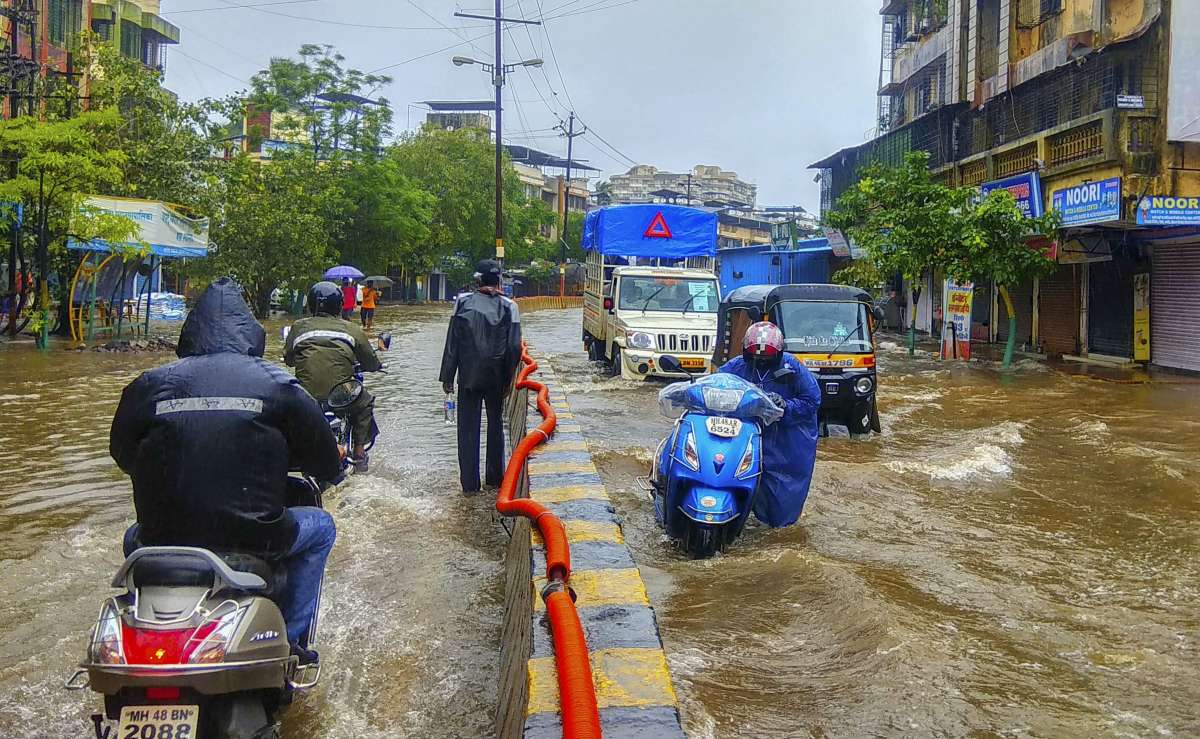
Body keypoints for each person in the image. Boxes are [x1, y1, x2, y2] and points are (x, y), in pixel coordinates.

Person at [110, 277, 342, 658]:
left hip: (157, 539)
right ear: (249, 334)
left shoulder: (148, 384)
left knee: (130, 535)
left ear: (191, 333)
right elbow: (325, 461)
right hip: (255, 536)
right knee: (322, 528)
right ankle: (294, 642)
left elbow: (123, 454)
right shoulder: (278, 384)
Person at [719, 321, 821, 527]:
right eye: (756, 356)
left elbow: (812, 400)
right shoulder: (736, 367)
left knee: (781, 502)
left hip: (785, 441)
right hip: (745, 435)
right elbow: (713, 386)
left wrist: (786, 407)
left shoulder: (793, 368)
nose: (760, 361)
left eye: (766, 357)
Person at [439, 260, 522, 493]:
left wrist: (448, 377)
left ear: (478, 280)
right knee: (496, 427)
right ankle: (495, 481)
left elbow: (452, 343)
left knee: (467, 430)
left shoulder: (462, 302)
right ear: (499, 281)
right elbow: (514, 348)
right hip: (496, 378)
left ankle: (470, 486)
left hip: (468, 377)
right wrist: (508, 380)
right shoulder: (510, 307)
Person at [286, 281, 383, 470]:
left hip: (304, 395)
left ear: (311, 304)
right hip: (342, 394)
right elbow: (370, 363)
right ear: (339, 305)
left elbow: (289, 359)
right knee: (365, 402)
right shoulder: (351, 329)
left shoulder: (298, 327)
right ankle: (359, 452)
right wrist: (376, 365)